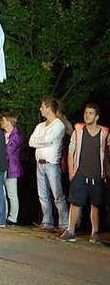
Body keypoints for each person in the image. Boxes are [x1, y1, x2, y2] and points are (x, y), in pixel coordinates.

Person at [57, 103, 108, 244]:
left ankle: (95, 233)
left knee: (96, 204)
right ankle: (71, 231)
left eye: (90, 113)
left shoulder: (104, 134)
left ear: (96, 117)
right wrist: (72, 171)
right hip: (80, 173)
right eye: (86, 112)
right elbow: (70, 151)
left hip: (97, 175)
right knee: (75, 203)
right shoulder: (78, 131)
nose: (87, 115)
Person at [29, 96, 69, 233]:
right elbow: (31, 142)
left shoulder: (58, 125)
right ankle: (47, 222)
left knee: (57, 194)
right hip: (39, 163)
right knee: (43, 194)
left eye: (42, 106)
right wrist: (43, 141)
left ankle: (64, 224)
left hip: (51, 163)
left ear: (48, 108)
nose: (40, 109)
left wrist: (41, 140)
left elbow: (49, 139)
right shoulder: (40, 126)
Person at [1, 113, 23, 225]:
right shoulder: (4, 134)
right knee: (2, 192)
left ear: (9, 122)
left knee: (12, 193)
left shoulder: (16, 137)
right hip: (3, 166)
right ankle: (3, 214)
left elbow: (8, 151)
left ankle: (13, 217)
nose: (1, 122)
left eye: (3, 120)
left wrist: (3, 145)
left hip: (12, 167)